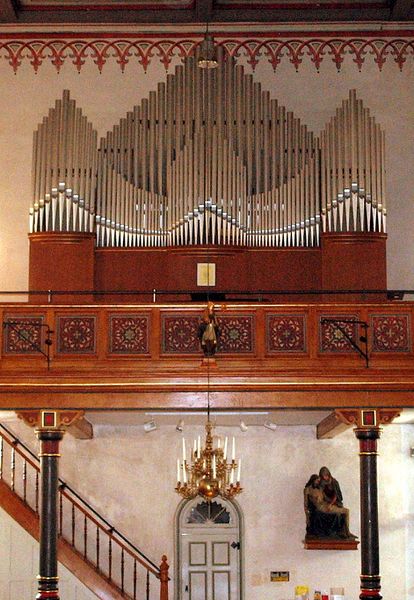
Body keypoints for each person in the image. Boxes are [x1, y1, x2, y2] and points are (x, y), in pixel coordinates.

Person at [304, 473, 356, 539]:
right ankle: (347, 533)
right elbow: (305, 504)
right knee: (346, 511)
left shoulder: (320, 489)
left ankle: (346, 532)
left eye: (319, 481)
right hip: (321, 507)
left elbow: (326, 498)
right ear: (313, 480)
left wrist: (334, 501)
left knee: (346, 511)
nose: (318, 482)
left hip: (326, 505)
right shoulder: (307, 490)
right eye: (317, 481)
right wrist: (307, 516)